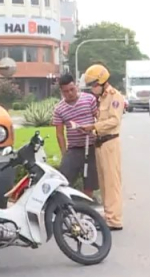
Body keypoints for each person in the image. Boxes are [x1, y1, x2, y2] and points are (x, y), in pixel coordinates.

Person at [78, 64, 125, 231]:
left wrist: (93, 126)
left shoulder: (114, 97)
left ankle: (115, 220)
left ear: (102, 82)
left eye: (94, 85)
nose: (93, 88)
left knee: (112, 183)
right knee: (104, 183)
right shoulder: (101, 99)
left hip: (110, 143)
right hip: (100, 143)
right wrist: (91, 129)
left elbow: (114, 121)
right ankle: (108, 215)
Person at [52, 73, 100, 198]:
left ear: (76, 86)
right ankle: (66, 201)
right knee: (64, 177)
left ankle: (87, 201)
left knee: (90, 180)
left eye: (72, 89)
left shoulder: (89, 99)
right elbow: (59, 134)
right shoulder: (59, 109)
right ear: (61, 92)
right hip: (73, 148)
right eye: (66, 91)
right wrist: (64, 153)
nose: (70, 93)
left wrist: (92, 128)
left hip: (91, 146)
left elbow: (99, 119)